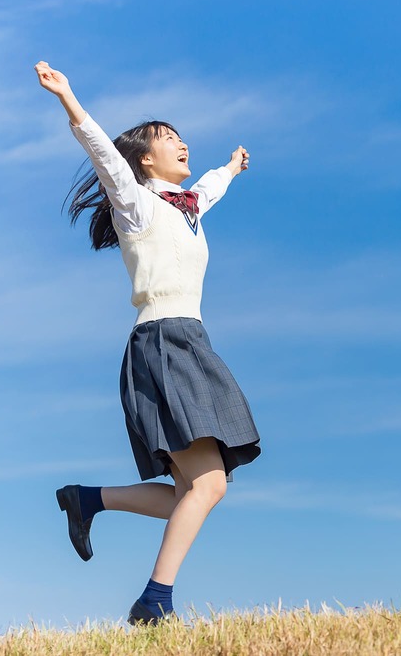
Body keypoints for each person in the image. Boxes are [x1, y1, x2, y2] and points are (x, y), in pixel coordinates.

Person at [35, 61, 262, 626]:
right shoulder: (136, 206)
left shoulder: (187, 212)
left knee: (194, 489)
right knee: (207, 486)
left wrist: (230, 169)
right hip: (161, 342)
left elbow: (206, 190)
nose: (181, 144)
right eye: (169, 139)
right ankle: (153, 602)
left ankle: (88, 500)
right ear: (145, 159)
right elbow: (103, 155)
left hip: (192, 340)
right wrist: (69, 100)